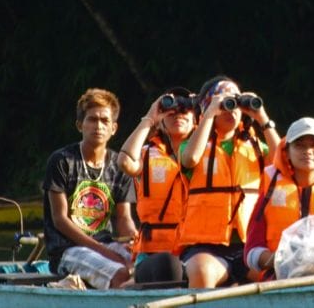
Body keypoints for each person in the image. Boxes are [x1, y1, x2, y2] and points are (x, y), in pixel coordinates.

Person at [176, 75, 280, 288]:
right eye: (225, 104)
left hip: (248, 245)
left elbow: (284, 162)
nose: (231, 110)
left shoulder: (256, 146)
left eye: (235, 104)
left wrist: (262, 118)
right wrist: (208, 114)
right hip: (206, 248)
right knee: (201, 272)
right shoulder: (191, 145)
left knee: (281, 272)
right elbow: (190, 159)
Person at [42, 88, 137, 289]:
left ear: (114, 128)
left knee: (146, 266)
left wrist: (135, 243)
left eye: (105, 121)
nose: (98, 126)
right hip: (68, 249)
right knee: (120, 273)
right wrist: (104, 251)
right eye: (92, 119)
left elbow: (123, 219)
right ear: (80, 125)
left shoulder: (120, 165)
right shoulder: (62, 161)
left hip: (106, 243)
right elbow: (60, 220)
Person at [244, 117, 314, 280]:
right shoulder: (270, 190)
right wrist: (283, 261)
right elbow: (251, 251)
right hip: (281, 276)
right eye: (299, 145)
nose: (307, 151)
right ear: (287, 152)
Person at [117, 86, 197, 284]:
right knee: (169, 264)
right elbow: (125, 162)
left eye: (185, 109)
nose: (177, 114)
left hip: (197, 251)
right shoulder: (146, 154)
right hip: (154, 254)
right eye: (171, 110)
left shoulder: (209, 155)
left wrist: (206, 111)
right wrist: (150, 118)